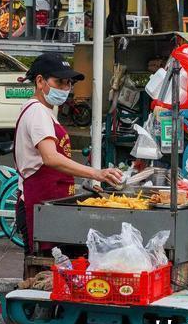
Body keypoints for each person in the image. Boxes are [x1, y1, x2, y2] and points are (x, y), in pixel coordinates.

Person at [14, 53, 123, 254]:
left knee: (50, 273)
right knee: (42, 273)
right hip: (39, 205)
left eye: (69, 83)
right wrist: (96, 173)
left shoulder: (44, 111)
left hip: (50, 203)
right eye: (60, 82)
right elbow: (51, 157)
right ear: (40, 81)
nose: (65, 88)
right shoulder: (37, 111)